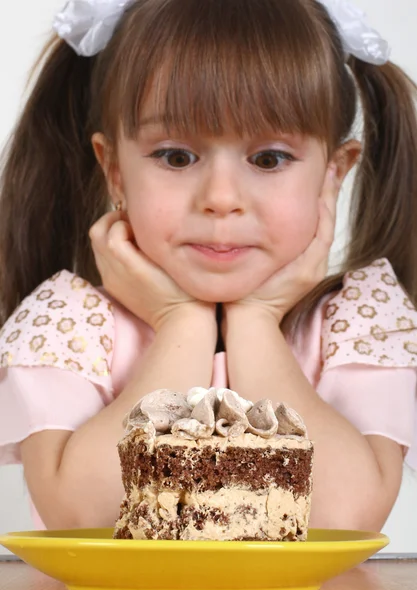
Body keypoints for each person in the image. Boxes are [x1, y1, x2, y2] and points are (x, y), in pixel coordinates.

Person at [0, 0, 416, 533]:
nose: (221, 198)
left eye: (268, 159)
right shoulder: (68, 322)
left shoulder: (361, 320)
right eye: (176, 157)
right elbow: (85, 518)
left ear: (333, 174)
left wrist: (258, 321)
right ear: (115, 172)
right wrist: (181, 322)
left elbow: (345, 519)